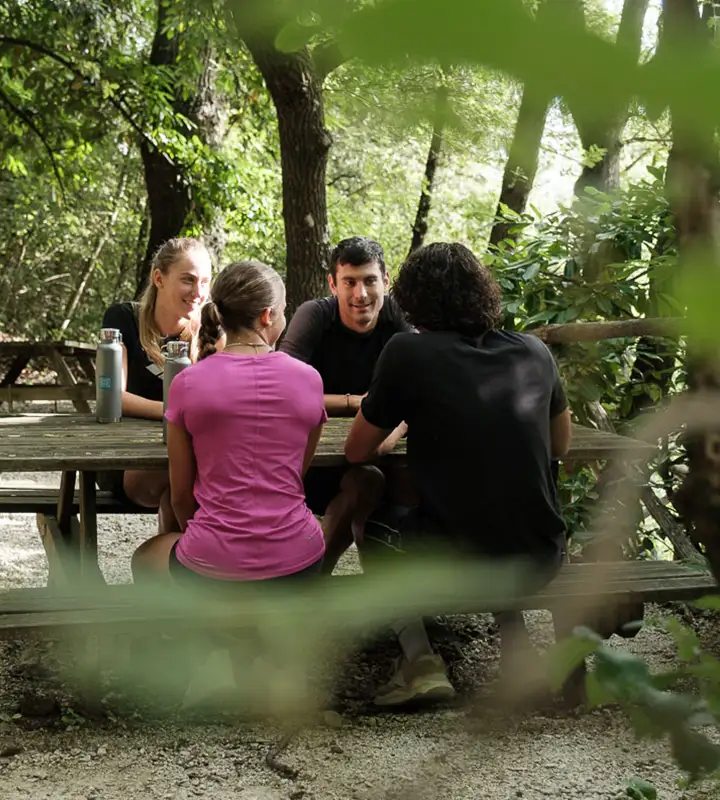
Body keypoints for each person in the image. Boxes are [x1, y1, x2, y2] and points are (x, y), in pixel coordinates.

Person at [344, 241, 573, 708]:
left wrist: (401, 428)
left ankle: (421, 663)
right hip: (541, 557)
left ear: (413, 297)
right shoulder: (533, 352)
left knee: (377, 519)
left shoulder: (408, 351)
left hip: (458, 566)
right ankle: (517, 649)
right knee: (499, 506)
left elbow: (357, 450)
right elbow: (560, 446)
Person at [131, 259, 327, 587]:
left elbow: (180, 496)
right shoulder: (309, 379)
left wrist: (211, 544)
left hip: (213, 566)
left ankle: (209, 629)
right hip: (300, 560)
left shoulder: (188, 382)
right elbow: (294, 477)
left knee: (144, 558)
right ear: (268, 316)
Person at [280, 236, 412, 573]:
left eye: (369, 281)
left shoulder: (398, 317)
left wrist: (393, 427)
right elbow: (281, 386)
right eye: (349, 282)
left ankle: (379, 597)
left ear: (385, 280)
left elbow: (422, 387)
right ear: (333, 284)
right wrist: (358, 403)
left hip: (371, 454)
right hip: (309, 456)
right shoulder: (315, 315)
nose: (361, 294)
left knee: (377, 482)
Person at [98, 237, 213, 531]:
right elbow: (113, 397)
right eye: (188, 280)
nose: (198, 292)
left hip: (193, 456)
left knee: (182, 490)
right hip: (131, 458)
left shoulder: (212, 329)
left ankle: (174, 564)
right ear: (158, 278)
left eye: (205, 281)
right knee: (182, 482)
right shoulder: (123, 317)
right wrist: (175, 412)